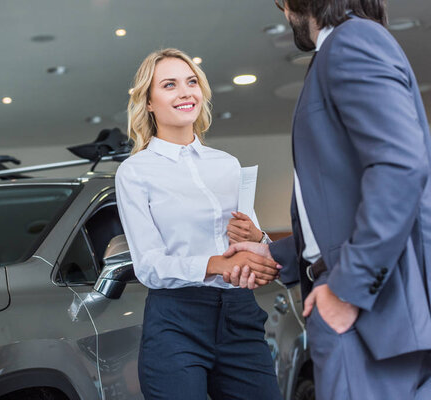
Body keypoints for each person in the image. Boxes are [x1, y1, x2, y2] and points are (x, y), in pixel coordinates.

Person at [225, 1, 431, 399]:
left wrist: (347, 291)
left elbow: (400, 167)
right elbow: (340, 201)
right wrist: (275, 255)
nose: (284, 15)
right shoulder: (345, 46)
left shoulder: (352, 41)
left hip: (366, 313)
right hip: (368, 308)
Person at [115, 48, 283, 399]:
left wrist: (257, 236)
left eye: (191, 82)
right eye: (170, 85)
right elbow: (149, 265)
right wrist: (216, 264)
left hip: (240, 315)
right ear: (148, 102)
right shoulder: (135, 171)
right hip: (177, 321)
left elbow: (250, 241)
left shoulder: (226, 164)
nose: (185, 92)